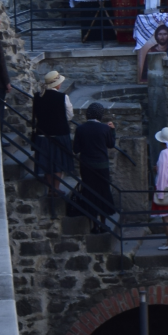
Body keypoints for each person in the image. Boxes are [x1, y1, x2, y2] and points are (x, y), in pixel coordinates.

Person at [72, 102, 116, 233]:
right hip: (102, 165)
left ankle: (93, 225)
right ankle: (103, 223)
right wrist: (113, 130)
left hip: (86, 165)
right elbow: (111, 144)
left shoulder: (80, 129)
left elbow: (76, 149)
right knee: (103, 192)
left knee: (89, 192)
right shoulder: (105, 129)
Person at [32, 70, 75, 196]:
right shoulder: (63, 97)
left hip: (42, 134)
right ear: (57, 84)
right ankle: (56, 189)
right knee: (58, 164)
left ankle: (50, 188)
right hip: (59, 134)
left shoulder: (37, 96)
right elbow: (69, 115)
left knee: (47, 162)